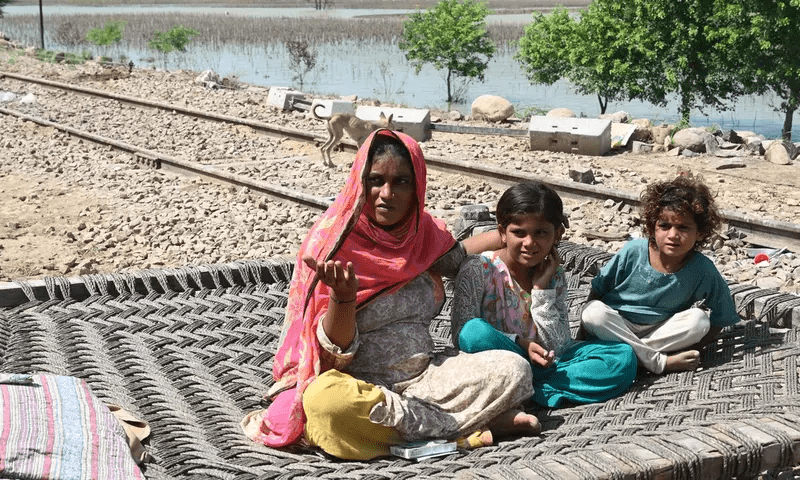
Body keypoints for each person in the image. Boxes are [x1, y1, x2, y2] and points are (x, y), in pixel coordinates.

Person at [241, 129, 540, 461]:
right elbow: (331, 359)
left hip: (426, 378)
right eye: (376, 180)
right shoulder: (331, 244)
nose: (386, 194)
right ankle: (470, 427)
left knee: (514, 368)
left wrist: (515, 239)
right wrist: (343, 299)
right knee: (325, 404)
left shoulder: (423, 234)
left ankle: (426, 430)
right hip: (360, 387)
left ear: (416, 189)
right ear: (360, 182)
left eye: (401, 182)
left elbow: (459, 255)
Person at [451, 181, 638, 408]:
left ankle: (528, 390)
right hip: (496, 363)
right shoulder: (477, 269)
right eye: (519, 233)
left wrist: (541, 291)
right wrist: (522, 346)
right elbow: (464, 338)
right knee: (474, 331)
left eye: (541, 233)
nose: (530, 243)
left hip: (548, 365)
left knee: (623, 357)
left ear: (557, 234)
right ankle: (533, 386)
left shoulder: (553, 274)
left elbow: (558, 345)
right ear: (502, 233)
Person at [581, 173, 740, 374]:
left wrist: (696, 347)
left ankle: (630, 355)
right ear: (652, 227)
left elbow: (722, 316)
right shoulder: (634, 251)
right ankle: (656, 362)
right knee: (593, 312)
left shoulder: (703, 269)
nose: (673, 235)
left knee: (699, 320)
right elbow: (597, 290)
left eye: (683, 227)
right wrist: (581, 337)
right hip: (618, 326)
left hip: (660, 332)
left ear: (700, 233)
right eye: (664, 226)